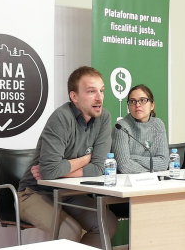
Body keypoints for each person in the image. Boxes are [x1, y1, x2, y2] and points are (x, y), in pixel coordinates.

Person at [18, 66, 117, 248]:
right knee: (69, 231)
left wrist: (58, 170)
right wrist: (88, 158)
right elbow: (49, 172)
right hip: (35, 193)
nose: (99, 97)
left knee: (107, 224)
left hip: (69, 193)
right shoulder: (61, 118)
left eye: (101, 91)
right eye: (91, 91)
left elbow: (99, 168)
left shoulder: (104, 118)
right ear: (74, 97)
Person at [111, 84, 169, 174]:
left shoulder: (158, 125)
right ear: (129, 107)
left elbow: (164, 163)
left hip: (152, 182)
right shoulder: (121, 127)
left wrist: (132, 158)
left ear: (152, 105)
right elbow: (124, 166)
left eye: (142, 100)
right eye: (133, 101)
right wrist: (151, 171)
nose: (137, 105)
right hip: (126, 183)